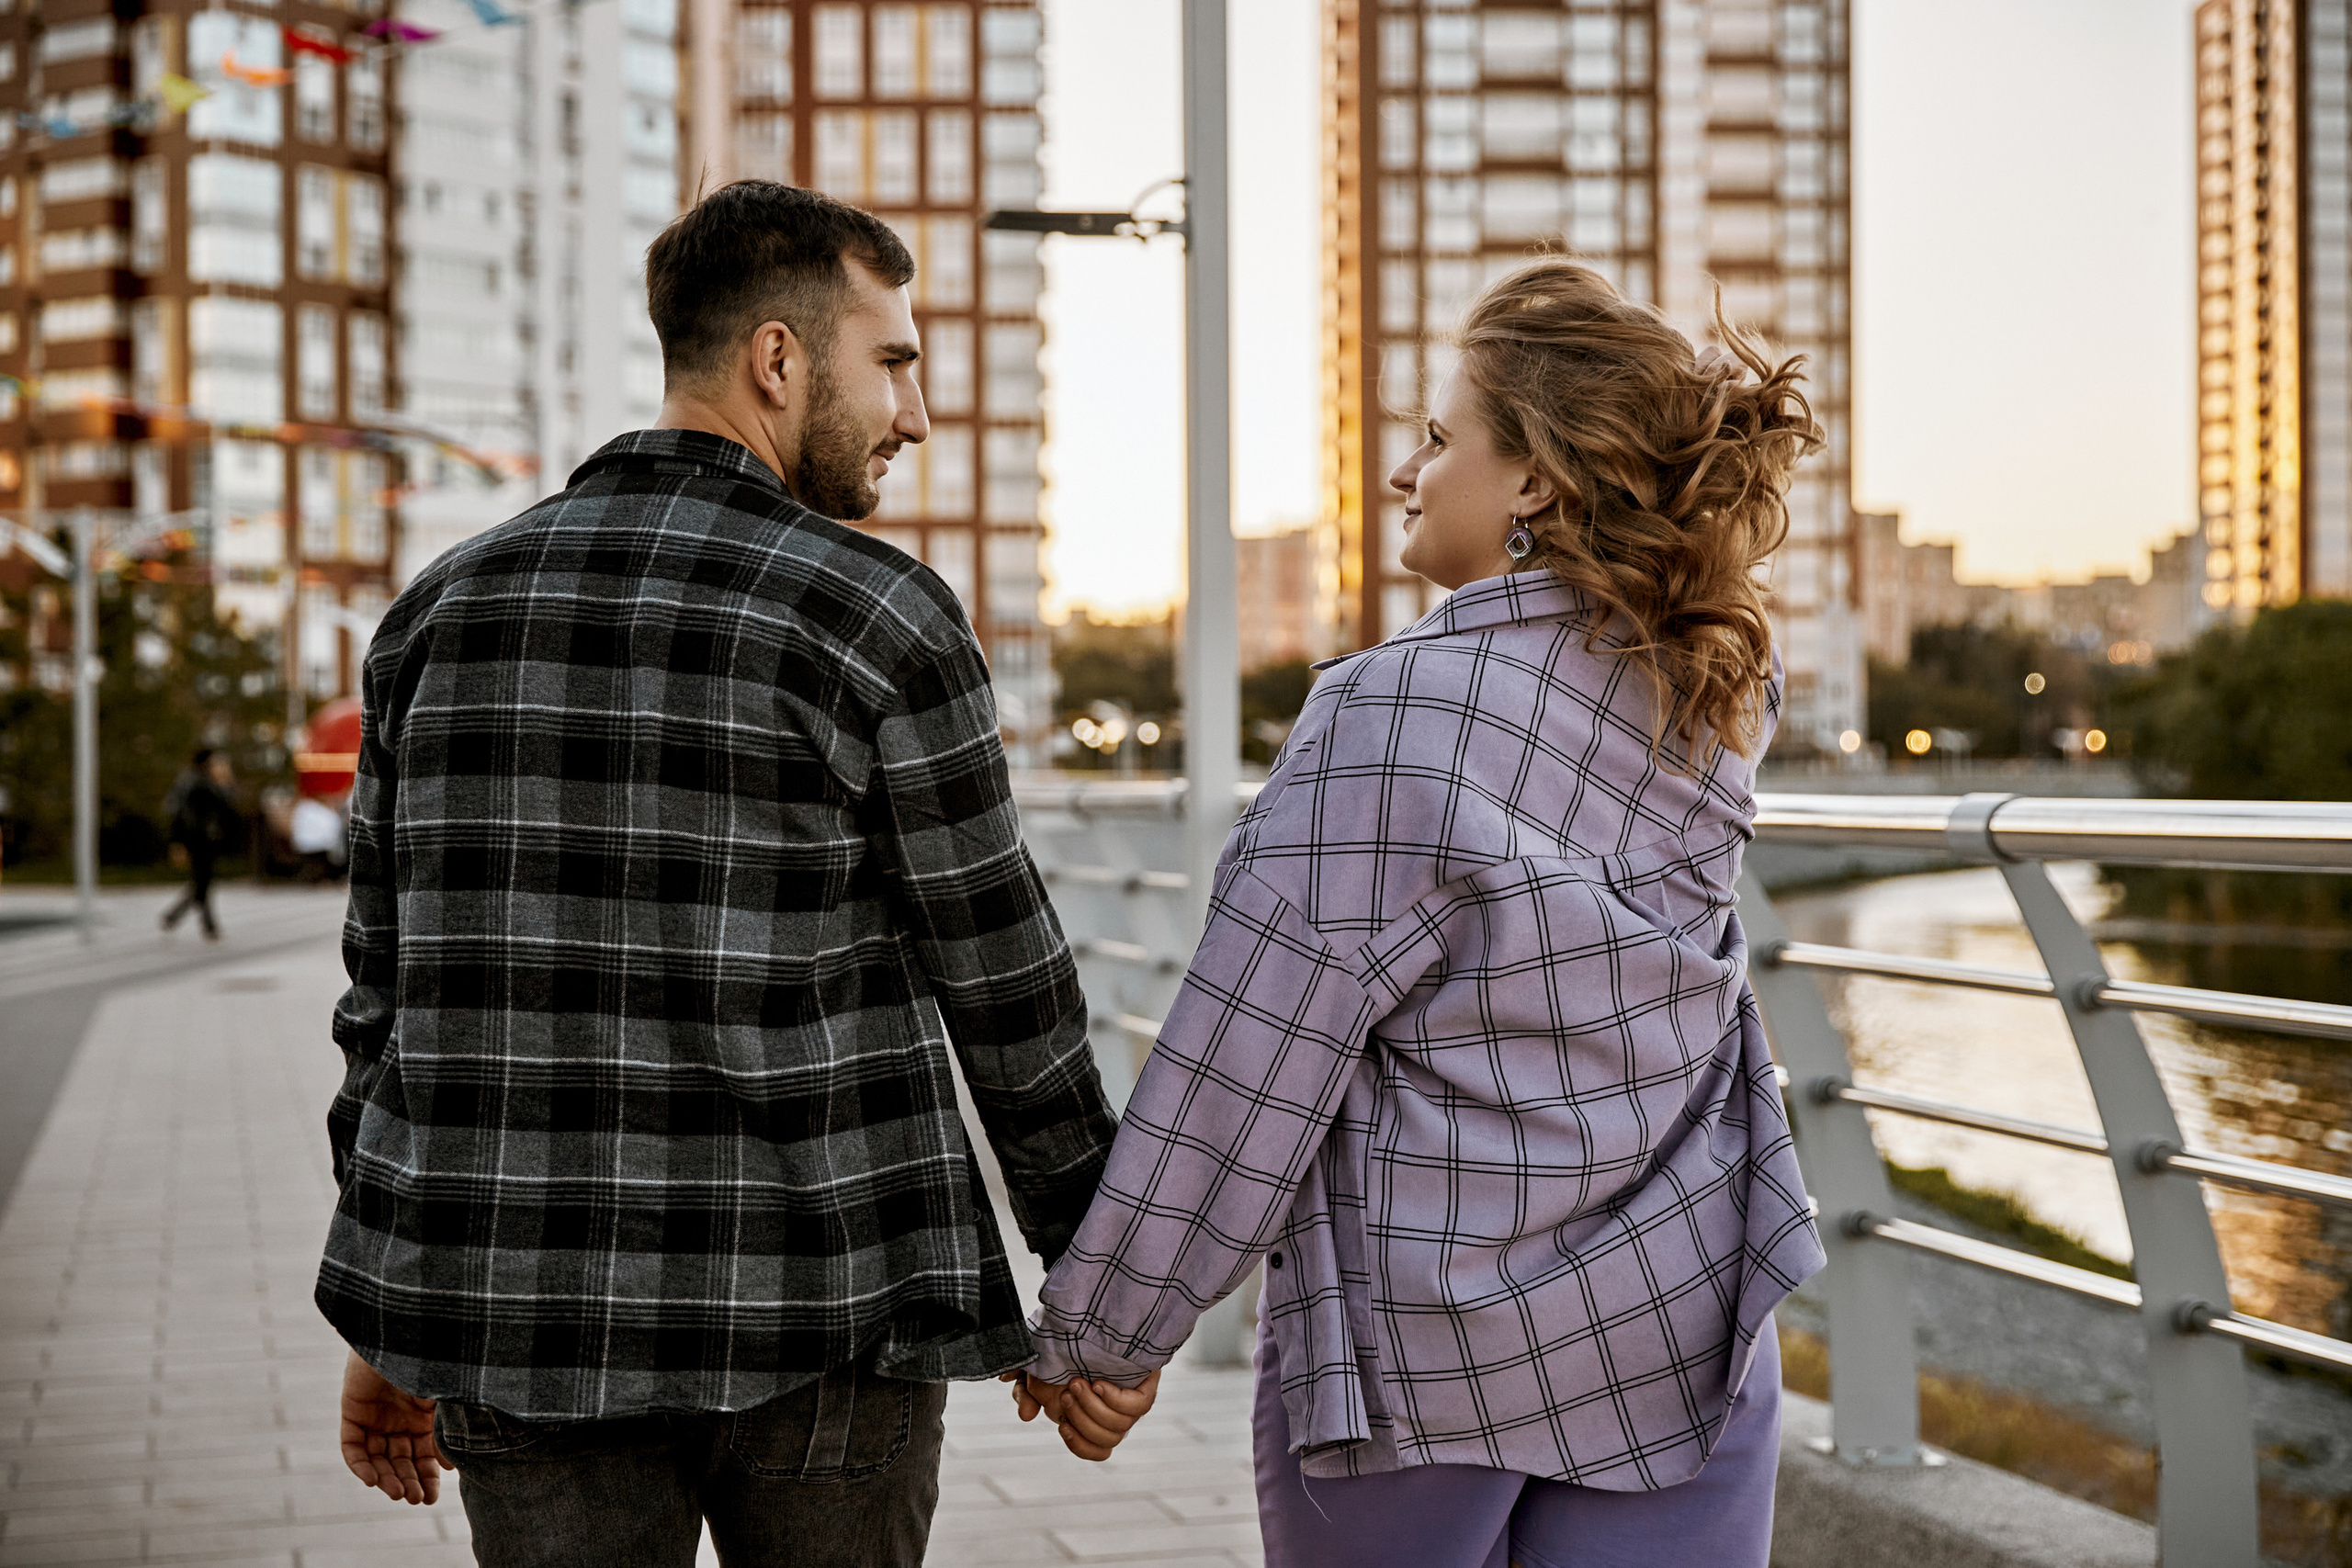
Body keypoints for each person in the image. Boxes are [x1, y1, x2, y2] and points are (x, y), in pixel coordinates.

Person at [320, 181, 1121, 1568]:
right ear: (776, 357)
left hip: (518, 1319)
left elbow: (385, 1009)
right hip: (828, 1308)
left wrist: (393, 1313)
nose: (914, 413)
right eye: (894, 359)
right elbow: (1007, 986)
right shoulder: (878, 612)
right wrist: (1105, 1291)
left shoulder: (435, 616)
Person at [1013, 259, 1830, 1568]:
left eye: (1440, 438)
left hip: (1422, 1356)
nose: (1408, 470)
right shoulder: (1725, 689)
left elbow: (1253, 1054)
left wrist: (1109, 1330)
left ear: (1536, 482)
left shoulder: (1395, 712)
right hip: (1681, 1320)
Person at [161, 746, 239, 940]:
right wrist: (177, 842)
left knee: (202, 881)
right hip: (197, 838)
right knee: (203, 882)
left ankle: (180, 916)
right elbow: (180, 814)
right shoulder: (195, 783)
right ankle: (203, 924)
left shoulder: (201, 781)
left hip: (204, 838)